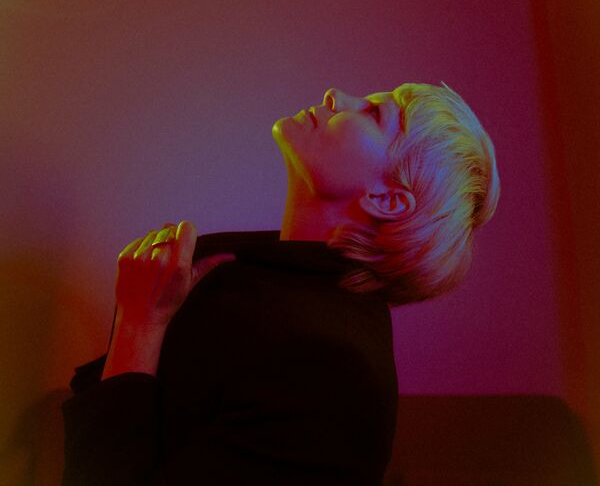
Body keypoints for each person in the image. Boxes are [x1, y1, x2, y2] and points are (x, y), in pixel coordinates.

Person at [61, 82, 500, 485]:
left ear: (386, 199)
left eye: (373, 114)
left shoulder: (334, 370)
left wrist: (140, 324)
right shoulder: (250, 264)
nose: (336, 95)